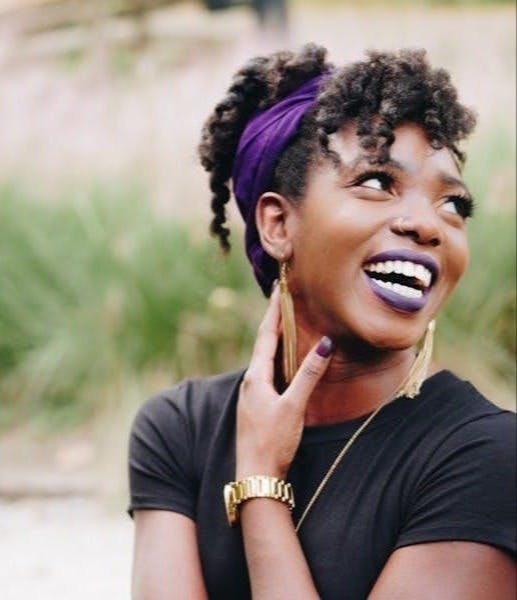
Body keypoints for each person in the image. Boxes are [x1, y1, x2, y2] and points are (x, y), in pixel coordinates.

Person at [128, 44, 516, 599]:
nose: (429, 225)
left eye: (454, 205)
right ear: (278, 225)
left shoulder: (486, 458)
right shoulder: (180, 430)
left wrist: (260, 487)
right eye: (378, 182)